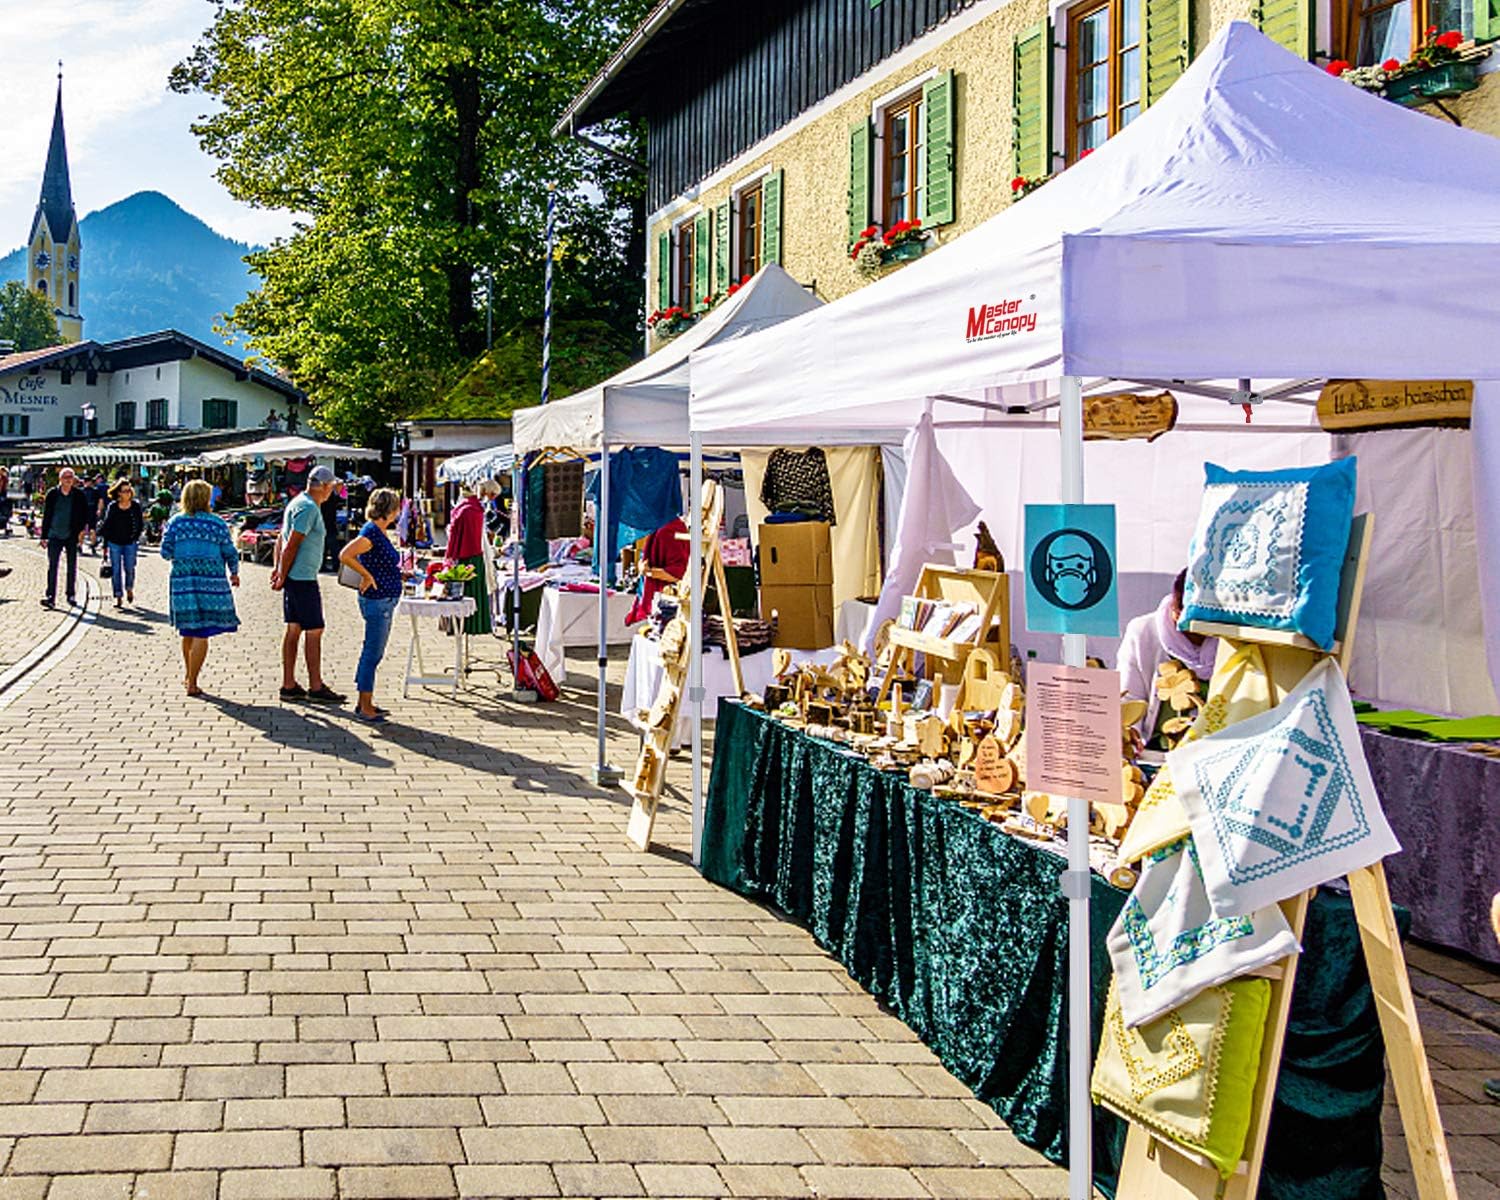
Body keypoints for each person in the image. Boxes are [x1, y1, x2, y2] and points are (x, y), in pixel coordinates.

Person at [1118, 568, 1218, 742]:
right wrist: (1128, 733)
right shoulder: (1142, 631)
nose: (1193, 633)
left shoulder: (1232, 638)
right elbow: (1128, 699)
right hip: (1154, 754)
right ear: (1174, 609)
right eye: (1184, 623)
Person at [159, 479, 240, 697]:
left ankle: (189, 675)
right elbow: (229, 551)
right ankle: (193, 681)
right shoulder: (217, 523)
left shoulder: (176, 522)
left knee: (188, 631)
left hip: (183, 582)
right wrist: (234, 571)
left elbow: (165, 552)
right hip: (210, 583)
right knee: (202, 632)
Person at [272, 465, 345, 704]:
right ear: (323, 487)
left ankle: (289, 684)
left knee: (294, 629)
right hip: (302, 578)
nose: (332, 492)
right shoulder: (308, 508)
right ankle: (315, 686)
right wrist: (281, 573)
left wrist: (279, 569)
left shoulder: (297, 503)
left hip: (297, 576)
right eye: (331, 487)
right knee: (314, 630)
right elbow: (291, 543)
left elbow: (280, 539)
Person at [339, 488, 404, 723]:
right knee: (372, 652)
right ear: (389, 509)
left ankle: (365, 701)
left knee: (374, 652)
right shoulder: (371, 533)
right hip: (378, 601)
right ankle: (364, 706)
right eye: (397, 507)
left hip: (384, 599)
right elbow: (345, 554)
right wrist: (366, 576)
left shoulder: (378, 532)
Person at [444, 482, 495, 636]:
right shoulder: (475, 509)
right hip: (475, 554)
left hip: (463, 554)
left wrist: (450, 555)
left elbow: (453, 534)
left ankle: (460, 625)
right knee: (473, 591)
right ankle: (475, 625)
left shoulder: (463, 510)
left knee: (461, 592)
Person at [39, 467, 89, 609]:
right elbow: (47, 515)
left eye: (70, 477)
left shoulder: (78, 495)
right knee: (52, 566)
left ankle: (70, 594)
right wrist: (43, 536)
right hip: (54, 534)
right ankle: (50, 596)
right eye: (65, 477)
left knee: (71, 566)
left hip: (71, 535)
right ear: (60, 479)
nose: (68, 479)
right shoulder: (52, 494)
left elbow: (84, 515)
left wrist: (81, 533)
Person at [98, 477, 145, 609]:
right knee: (116, 570)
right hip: (115, 542)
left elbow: (140, 523)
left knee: (129, 568)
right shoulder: (113, 507)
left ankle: (129, 588)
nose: (128, 493)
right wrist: (104, 543)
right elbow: (107, 525)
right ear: (118, 492)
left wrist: (136, 536)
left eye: (129, 490)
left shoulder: (135, 506)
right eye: (124, 491)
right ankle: (118, 595)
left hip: (130, 542)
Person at [637, 515, 690, 618]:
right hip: (661, 598)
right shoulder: (662, 525)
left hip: (668, 600)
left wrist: (649, 571)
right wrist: (642, 566)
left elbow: (678, 572)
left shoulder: (668, 530)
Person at [0, 466, 13, 537]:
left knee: (5, 513)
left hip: (3, 496)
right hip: (3, 496)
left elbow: (3, 487)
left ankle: (6, 527)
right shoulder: (3, 478)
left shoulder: (4, 478)